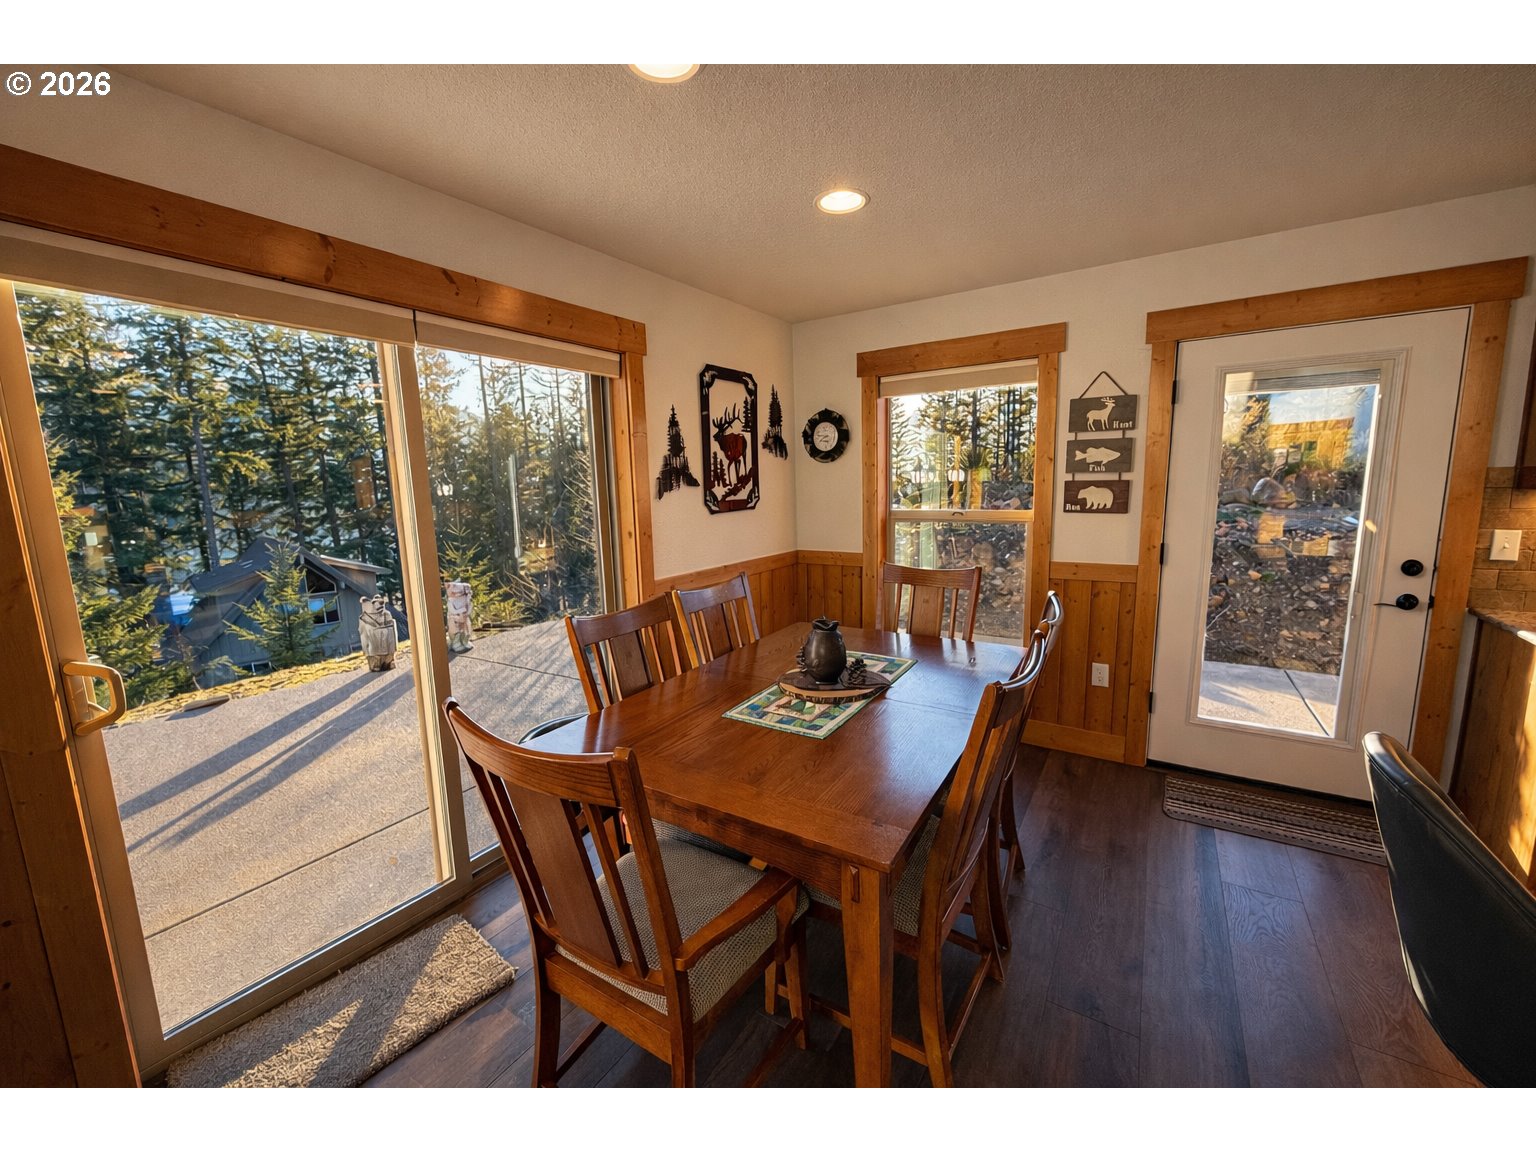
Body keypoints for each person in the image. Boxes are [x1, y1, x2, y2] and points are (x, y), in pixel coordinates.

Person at [445, 579, 474, 653]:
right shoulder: (451, 601)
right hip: (455, 619)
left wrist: (466, 612)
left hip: (464, 619)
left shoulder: (466, 598)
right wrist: (460, 612)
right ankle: (456, 644)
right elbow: (452, 610)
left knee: (466, 629)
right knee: (455, 630)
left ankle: (465, 642)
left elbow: (470, 606)